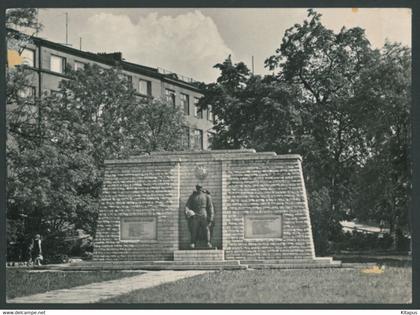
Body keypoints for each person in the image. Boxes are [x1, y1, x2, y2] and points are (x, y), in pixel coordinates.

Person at [185, 184, 214, 249]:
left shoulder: (207, 196)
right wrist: (188, 212)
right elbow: (187, 206)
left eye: (200, 187)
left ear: (202, 188)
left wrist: (211, 217)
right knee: (194, 229)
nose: (199, 189)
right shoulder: (192, 197)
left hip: (204, 214)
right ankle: (193, 242)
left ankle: (208, 242)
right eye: (198, 188)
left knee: (206, 229)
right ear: (196, 188)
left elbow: (210, 207)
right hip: (195, 215)